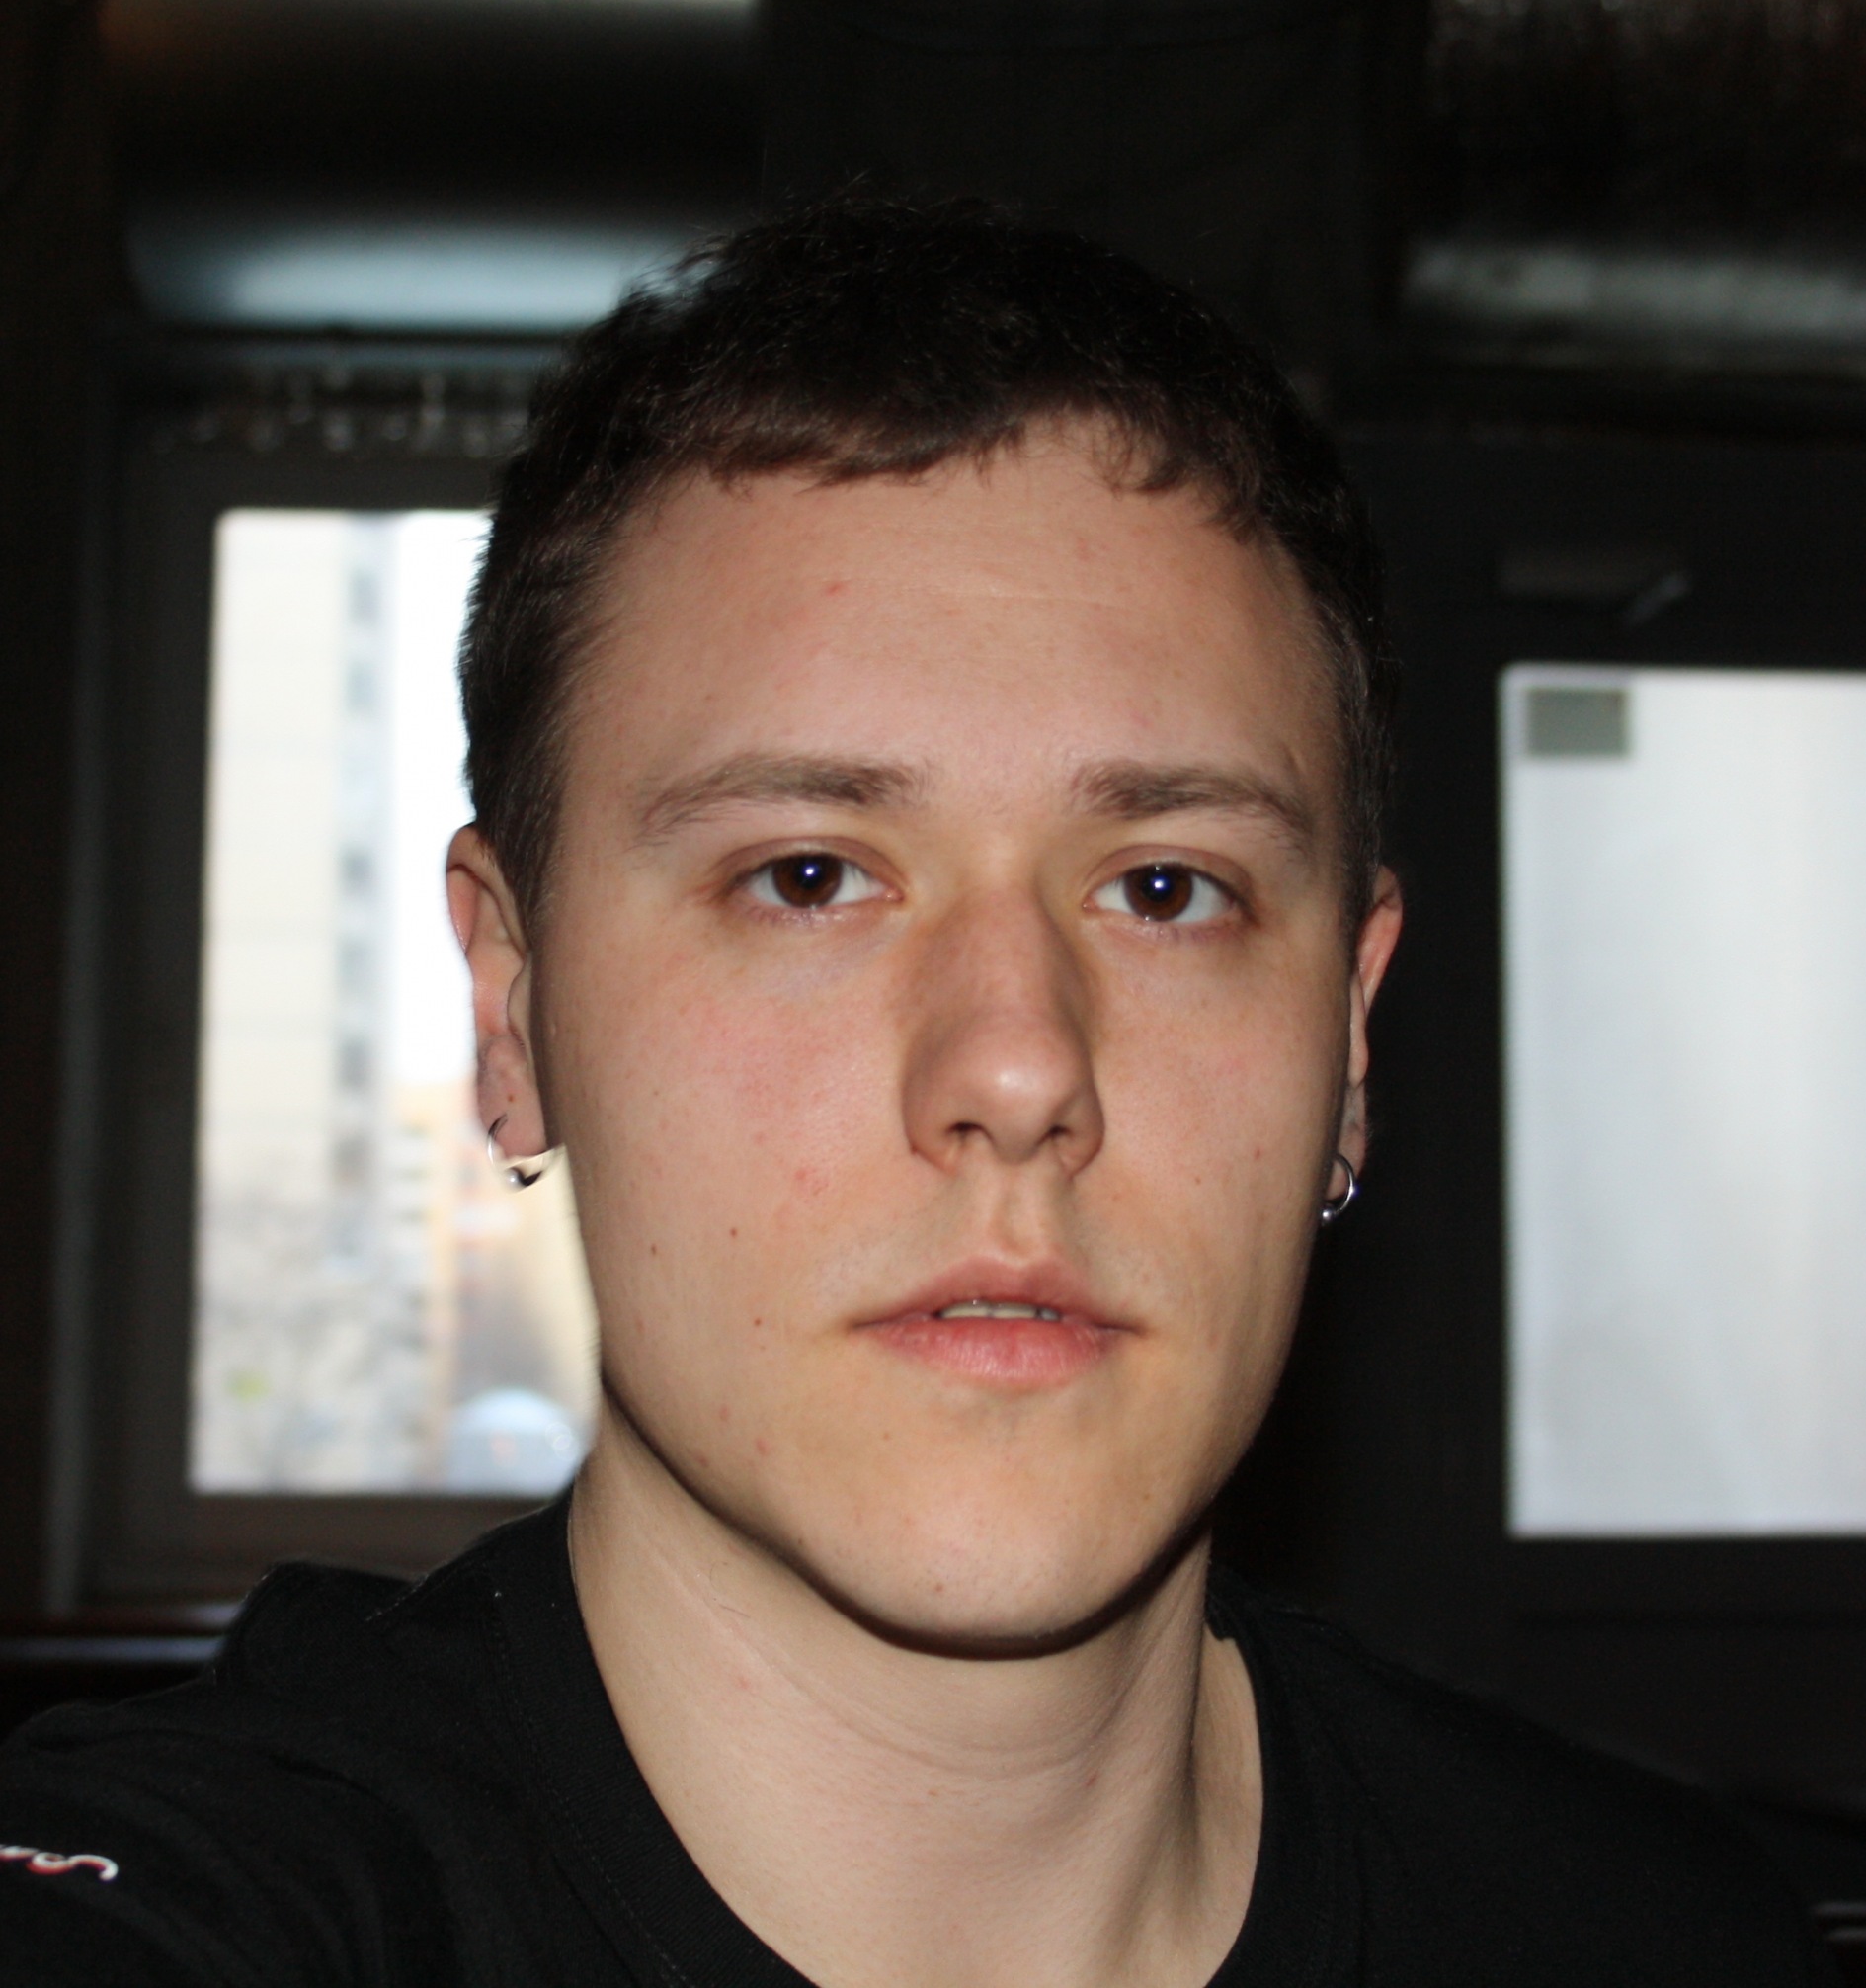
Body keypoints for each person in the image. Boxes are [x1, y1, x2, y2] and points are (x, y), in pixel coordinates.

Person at [0, 197, 1832, 1987]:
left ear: (1347, 1038)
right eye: (807, 876)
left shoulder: (1660, 1941)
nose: (1017, 1066)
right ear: (511, 1005)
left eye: (1164, 889)